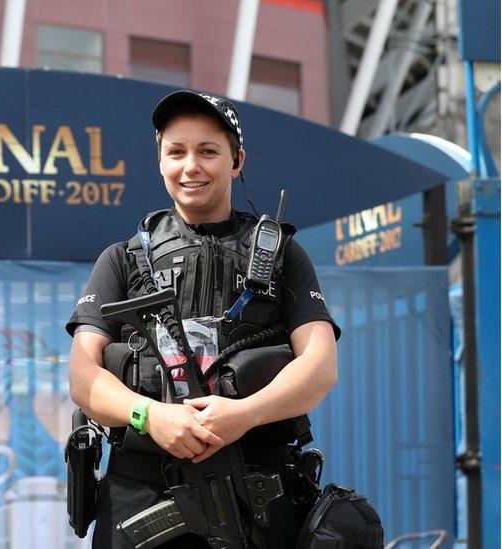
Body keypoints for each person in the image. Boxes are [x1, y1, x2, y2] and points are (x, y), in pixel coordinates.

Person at [65, 90, 340, 547]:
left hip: (259, 499)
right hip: (142, 491)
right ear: (160, 162)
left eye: (208, 151)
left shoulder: (283, 256)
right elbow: (82, 376)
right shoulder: (121, 260)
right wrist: (148, 414)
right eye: (176, 152)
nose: (190, 166)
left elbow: (321, 366)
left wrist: (245, 414)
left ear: (237, 161)